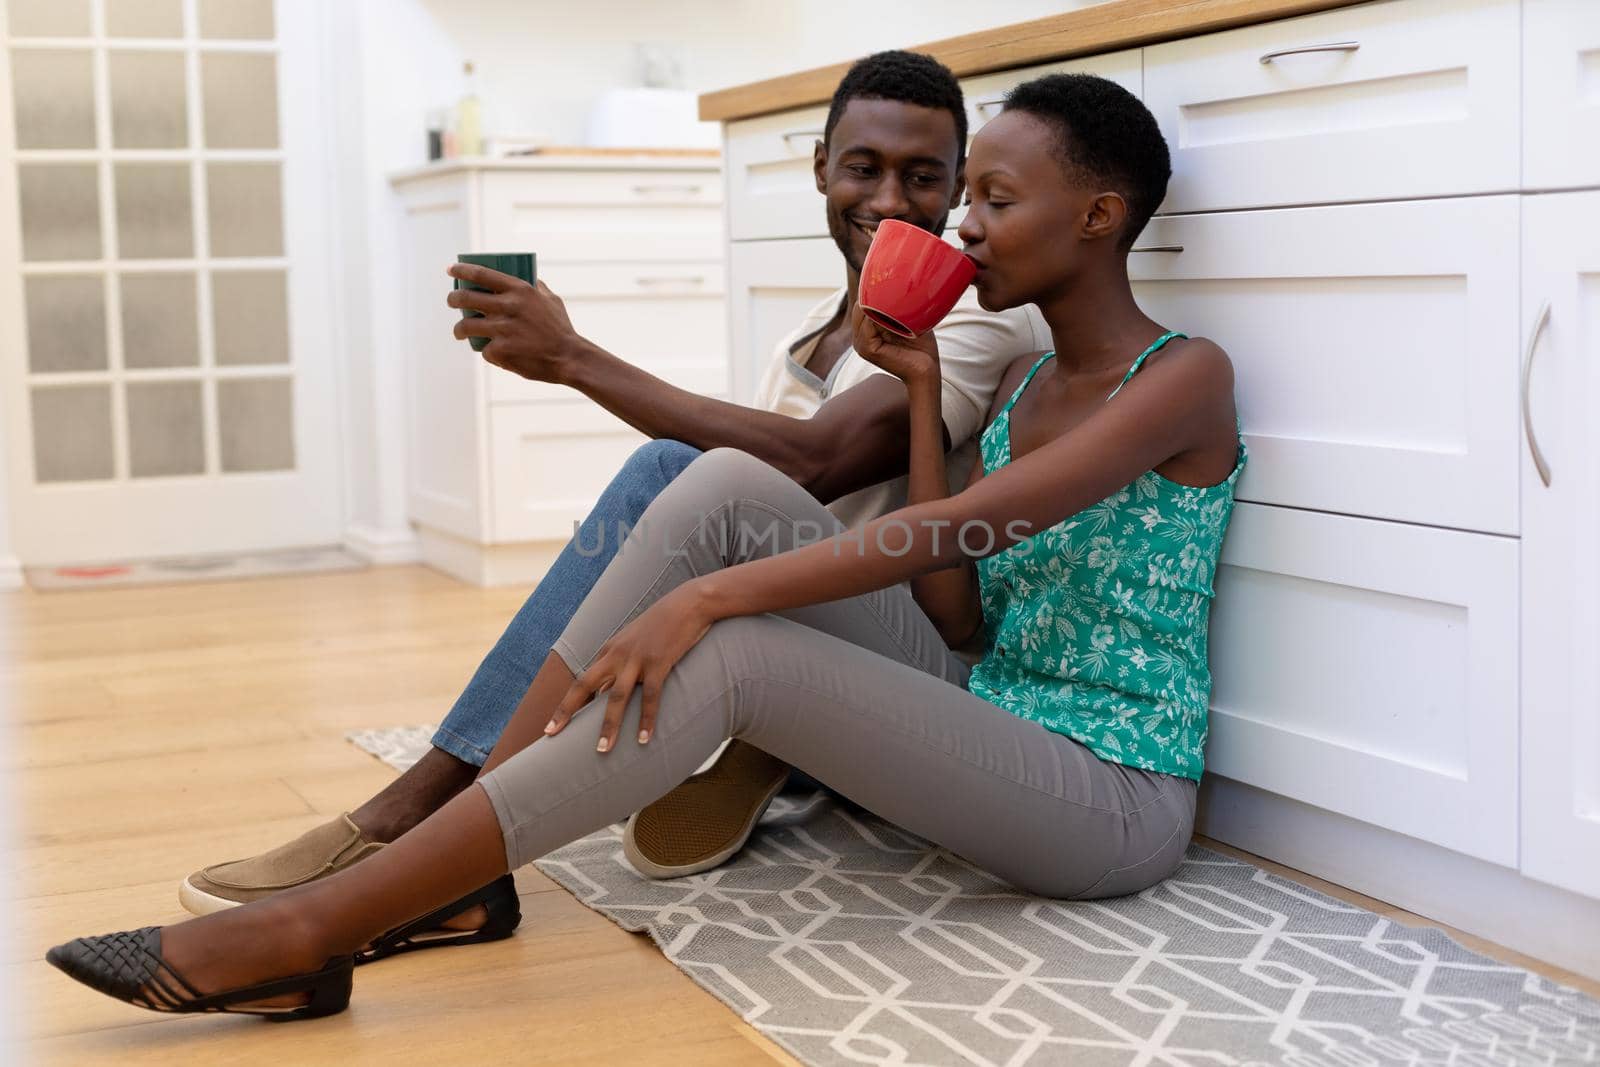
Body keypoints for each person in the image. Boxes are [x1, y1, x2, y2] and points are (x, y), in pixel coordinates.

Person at [48, 71, 1245, 1022]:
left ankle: (315, 929)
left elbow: (968, 526)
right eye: (968, 196)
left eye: (992, 197)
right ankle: (465, 865)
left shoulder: (1183, 376)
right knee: (720, 480)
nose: (960, 226)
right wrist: (925, 388)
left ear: (1098, 215)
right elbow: (956, 611)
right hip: (989, 694)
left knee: (734, 651)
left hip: (1109, 792)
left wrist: (707, 598)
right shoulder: (1025, 372)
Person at [173, 49, 1045, 948]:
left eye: (924, 178)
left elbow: (816, 461)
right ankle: (738, 755)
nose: (893, 202)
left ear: (958, 188)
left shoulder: (971, 314)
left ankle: (427, 824)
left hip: (904, 647)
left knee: (678, 471)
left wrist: (574, 360)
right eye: (865, 169)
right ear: (819, 167)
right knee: (676, 493)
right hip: (797, 610)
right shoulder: (811, 327)